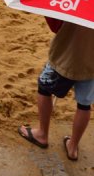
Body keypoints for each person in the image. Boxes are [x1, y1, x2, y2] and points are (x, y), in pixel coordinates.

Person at [18, 21, 94, 161]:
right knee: (84, 105)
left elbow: (55, 25)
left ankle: (42, 134)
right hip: (91, 65)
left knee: (44, 89)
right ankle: (72, 147)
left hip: (66, 57)